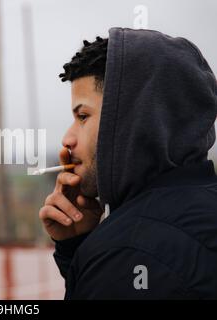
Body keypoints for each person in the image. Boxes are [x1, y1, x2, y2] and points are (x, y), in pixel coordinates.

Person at [39, 27, 217, 299]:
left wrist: (106, 251)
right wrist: (79, 248)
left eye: (83, 116)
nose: (67, 138)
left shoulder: (127, 251)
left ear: (130, 121)